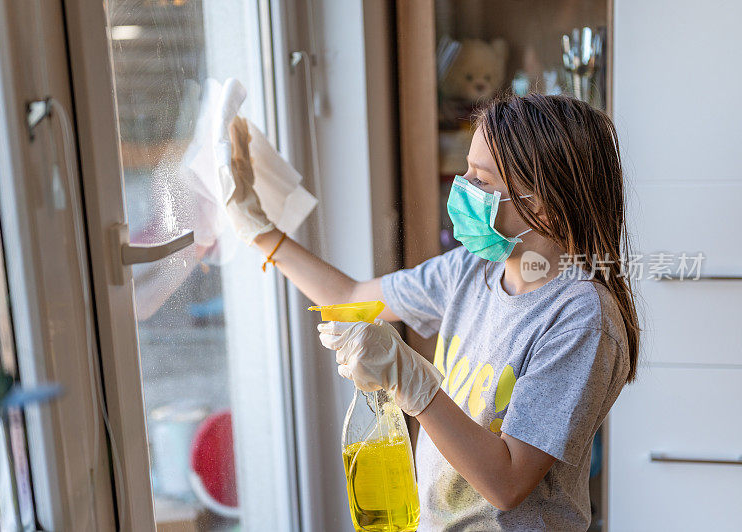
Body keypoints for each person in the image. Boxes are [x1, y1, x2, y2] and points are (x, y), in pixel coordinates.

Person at [219, 93, 639, 531]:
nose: (463, 190)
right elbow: (349, 294)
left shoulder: (582, 317)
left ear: (544, 203)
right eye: (468, 173)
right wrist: (260, 231)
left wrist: (411, 379)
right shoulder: (471, 268)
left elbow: (508, 483)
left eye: (483, 181)